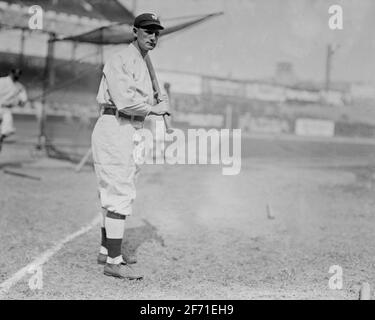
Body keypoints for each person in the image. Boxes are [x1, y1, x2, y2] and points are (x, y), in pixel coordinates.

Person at [92, 13, 170, 280]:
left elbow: (139, 101)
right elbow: (125, 102)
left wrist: (157, 98)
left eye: (156, 32)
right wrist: (156, 109)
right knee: (118, 190)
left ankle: (106, 250)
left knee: (118, 187)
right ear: (134, 31)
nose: (153, 36)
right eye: (147, 31)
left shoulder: (142, 61)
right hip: (116, 124)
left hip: (131, 128)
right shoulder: (121, 59)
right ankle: (113, 262)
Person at [0, 69, 28, 152]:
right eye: (15, 74)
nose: (17, 76)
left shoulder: (20, 87)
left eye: (18, 74)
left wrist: (19, 101)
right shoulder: (2, 81)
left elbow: (22, 102)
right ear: (11, 73)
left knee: (7, 129)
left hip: (6, 109)